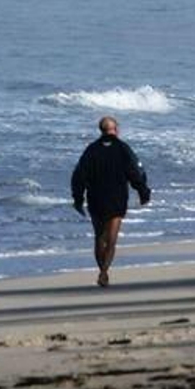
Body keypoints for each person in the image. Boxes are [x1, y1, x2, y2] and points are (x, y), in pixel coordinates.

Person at [71, 116, 151, 288]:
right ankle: (104, 272)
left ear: (101, 130)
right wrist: (143, 192)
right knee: (112, 239)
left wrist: (78, 198)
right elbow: (135, 172)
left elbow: (79, 175)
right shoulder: (123, 148)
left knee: (99, 236)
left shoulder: (91, 150)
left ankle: (102, 270)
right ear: (116, 129)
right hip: (116, 198)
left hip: (95, 198)